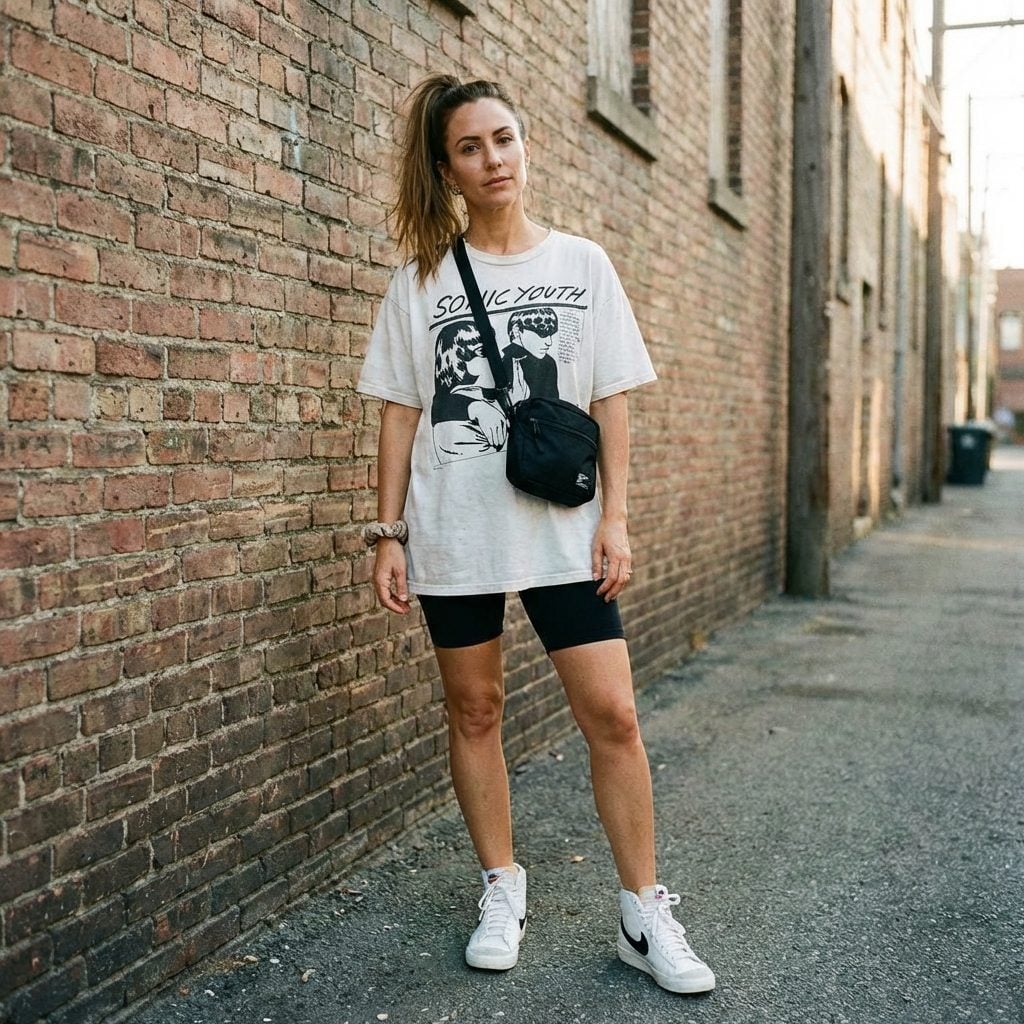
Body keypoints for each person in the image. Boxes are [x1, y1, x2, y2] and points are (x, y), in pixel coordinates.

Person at [356, 74, 715, 995]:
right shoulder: (421, 281)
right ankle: (500, 885)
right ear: (448, 169)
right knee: (475, 710)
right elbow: (400, 411)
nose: (493, 160)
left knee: (615, 717)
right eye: (470, 148)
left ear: (527, 145)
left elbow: (612, 400)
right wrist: (387, 531)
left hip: (563, 531)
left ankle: (644, 911)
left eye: (504, 139)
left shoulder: (583, 264)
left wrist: (618, 519)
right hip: (456, 532)